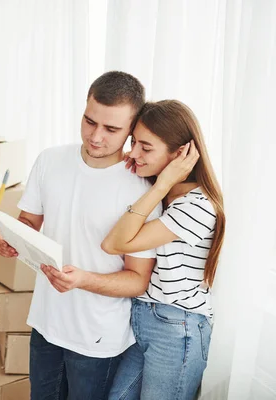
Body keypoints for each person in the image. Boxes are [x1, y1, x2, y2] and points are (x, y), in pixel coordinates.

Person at [0, 71, 162, 400]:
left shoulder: (141, 187)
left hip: (97, 338)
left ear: (132, 130)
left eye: (111, 129)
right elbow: (28, 221)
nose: (95, 136)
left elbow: (137, 279)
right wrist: (12, 237)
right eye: (89, 121)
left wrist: (82, 279)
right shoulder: (50, 160)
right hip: (46, 322)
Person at [98, 100, 226, 400]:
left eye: (146, 147)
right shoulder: (158, 195)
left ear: (180, 154)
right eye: (133, 143)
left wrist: (164, 181)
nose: (133, 153)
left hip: (176, 327)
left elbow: (113, 243)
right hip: (144, 318)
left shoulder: (198, 206)